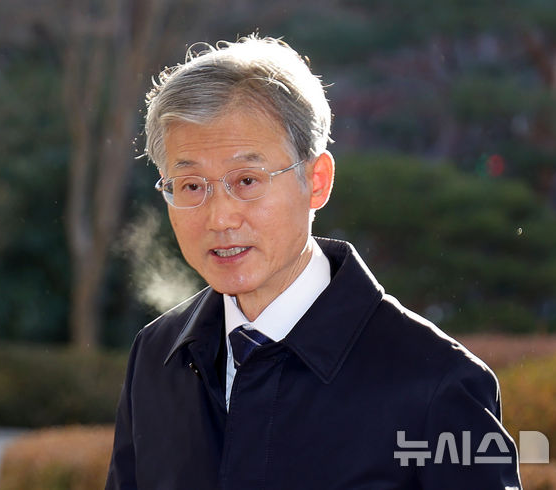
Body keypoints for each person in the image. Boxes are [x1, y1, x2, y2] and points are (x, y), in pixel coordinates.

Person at [105, 35, 522, 489]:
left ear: (317, 181)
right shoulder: (156, 357)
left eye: (247, 180)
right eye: (190, 186)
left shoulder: (435, 383)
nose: (220, 218)